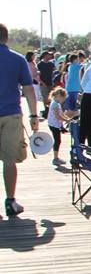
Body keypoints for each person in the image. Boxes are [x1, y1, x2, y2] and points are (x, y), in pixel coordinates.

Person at [0, 24, 40, 216]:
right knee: (9, 160)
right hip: (11, 114)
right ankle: (10, 201)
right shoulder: (17, 59)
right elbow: (29, 89)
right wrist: (34, 116)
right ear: (6, 38)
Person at [47, 87, 74, 166]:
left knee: (58, 140)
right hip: (53, 125)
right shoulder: (55, 104)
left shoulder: (57, 103)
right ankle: (55, 158)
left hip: (55, 124)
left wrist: (67, 119)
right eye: (63, 99)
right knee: (57, 141)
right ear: (59, 96)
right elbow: (58, 116)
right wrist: (66, 120)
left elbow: (61, 114)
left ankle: (56, 157)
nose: (63, 101)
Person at [36, 51, 56, 118]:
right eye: (48, 55)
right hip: (43, 83)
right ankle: (46, 111)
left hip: (50, 83)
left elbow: (54, 72)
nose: (50, 56)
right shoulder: (40, 64)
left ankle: (51, 111)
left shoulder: (51, 64)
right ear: (45, 56)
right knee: (45, 98)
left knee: (51, 98)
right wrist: (41, 82)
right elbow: (37, 75)